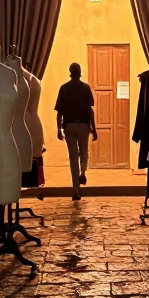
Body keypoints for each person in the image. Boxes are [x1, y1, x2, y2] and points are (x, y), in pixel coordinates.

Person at [55, 62, 97, 200]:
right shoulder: (85, 88)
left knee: (73, 156)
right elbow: (90, 111)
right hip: (83, 125)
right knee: (83, 152)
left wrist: (58, 129)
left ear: (70, 72)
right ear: (79, 72)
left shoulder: (64, 88)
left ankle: (76, 189)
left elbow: (59, 112)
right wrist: (94, 128)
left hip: (69, 126)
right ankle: (82, 173)